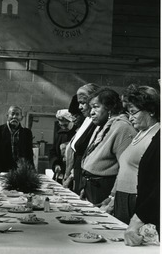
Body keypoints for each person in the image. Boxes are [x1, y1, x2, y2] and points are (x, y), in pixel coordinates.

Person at [101, 85, 160, 223]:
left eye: (133, 112)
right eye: (128, 113)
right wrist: (113, 196)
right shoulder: (140, 132)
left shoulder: (157, 134)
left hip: (136, 198)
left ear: (151, 111)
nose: (130, 118)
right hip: (123, 196)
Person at [81, 87, 136, 205]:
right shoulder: (102, 126)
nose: (91, 112)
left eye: (96, 107)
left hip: (105, 189)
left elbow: (126, 168)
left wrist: (112, 196)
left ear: (109, 107)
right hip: (91, 185)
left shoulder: (122, 128)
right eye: (91, 108)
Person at [63, 83, 100, 194]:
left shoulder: (95, 122)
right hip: (78, 173)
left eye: (83, 103)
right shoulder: (87, 120)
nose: (80, 107)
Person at [0, 106, 34, 172]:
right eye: (12, 114)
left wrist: (30, 169)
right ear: (7, 116)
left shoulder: (27, 133)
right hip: (2, 170)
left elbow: (29, 154)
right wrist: (1, 168)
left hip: (21, 171)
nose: (14, 117)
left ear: (21, 118)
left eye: (17, 114)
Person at [49, 109, 76, 183]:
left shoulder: (78, 133)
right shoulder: (60, 134)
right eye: (61, 125)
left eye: (65, 125)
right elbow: (53, 151)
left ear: (71, 121)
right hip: (61, 171)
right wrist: (56, 164)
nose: (63, 128)